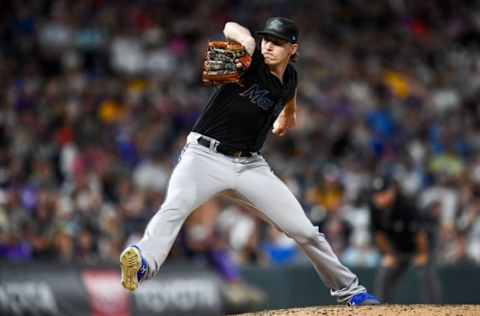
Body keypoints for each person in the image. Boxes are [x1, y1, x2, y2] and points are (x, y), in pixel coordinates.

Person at [119, 17, 379, 306]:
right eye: (266, 39)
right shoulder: (248, 59)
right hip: (204, 156)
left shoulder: (290, 76)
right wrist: (245, 41)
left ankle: (350, 291)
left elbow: (288, 94)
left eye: (277, 42)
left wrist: (288, 115)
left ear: (293, 49)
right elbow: (229, 25)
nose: (268, 45)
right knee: (174, 208)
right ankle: (143, 261)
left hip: (249, 166)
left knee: (305, 231)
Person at [368, 176, 441, 303]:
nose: (380, 197)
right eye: (377, 194)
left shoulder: (405, 204)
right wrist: (389, 254)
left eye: (383, 193)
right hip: (398, 247)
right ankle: (381, 309)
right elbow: (379, 235)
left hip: (420, 244)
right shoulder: (374, 208)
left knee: (425, 272)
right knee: (385, 271)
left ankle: (435, 309)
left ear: (392, 191)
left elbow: (420, 233)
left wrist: (422, 254)